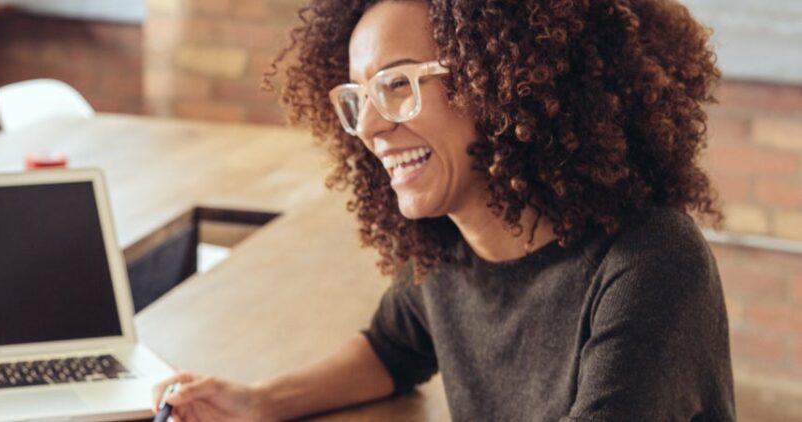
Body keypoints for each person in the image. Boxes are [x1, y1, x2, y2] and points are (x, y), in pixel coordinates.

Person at [153, 0, 734, 420]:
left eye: (398, 84)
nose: (370, 127)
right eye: (358, 98)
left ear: (503, 82)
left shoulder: (651, 262)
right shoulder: (450, 250)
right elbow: (390, 350)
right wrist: (258, 402)